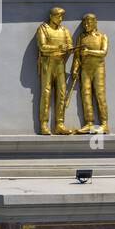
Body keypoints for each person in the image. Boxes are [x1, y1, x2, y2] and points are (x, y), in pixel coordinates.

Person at [35, 7, 74, 135]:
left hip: (60, 63)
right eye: (58, 16)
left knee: (62, 93)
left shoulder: (64, 30)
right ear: (51, 16)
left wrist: (70, 48)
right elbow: (42, 46)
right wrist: (58, 47)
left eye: (62, 16)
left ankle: (60, 124)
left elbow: (70, 45)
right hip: (47, 63)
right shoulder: (43, 28)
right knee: (46, 93)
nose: (61, 19)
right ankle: (44, 124)